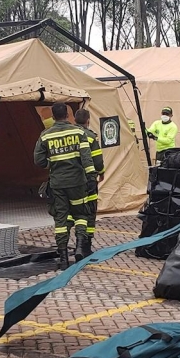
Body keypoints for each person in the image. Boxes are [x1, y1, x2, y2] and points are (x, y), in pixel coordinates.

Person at [34, 103, 94, 267]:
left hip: (58, 184)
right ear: (69, 115)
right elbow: (86, 158)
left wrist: (51, 163)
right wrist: (91, 178)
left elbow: (38, 160)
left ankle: (63, 259)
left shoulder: (46, 135)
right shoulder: (78, 132)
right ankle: (80, 247)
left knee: (61, 218)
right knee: (81, 215)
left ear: (53, 117)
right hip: (78, 182)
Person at [74, 108, 104, 255]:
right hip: (89, 180)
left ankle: (71, 245)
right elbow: (97, 160)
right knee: (90, 211)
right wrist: (101, 172)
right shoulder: (91, 137)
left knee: (71, 212)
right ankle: (86, 245)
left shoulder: (70, 134)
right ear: (88, 120)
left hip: (72, 180)